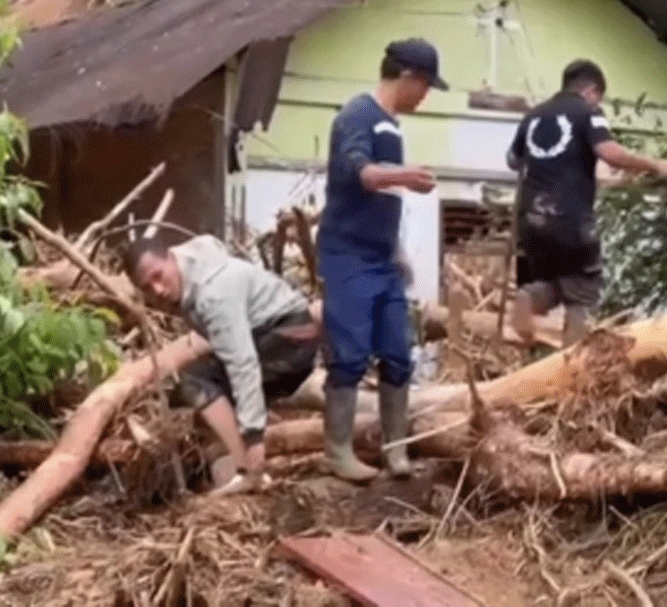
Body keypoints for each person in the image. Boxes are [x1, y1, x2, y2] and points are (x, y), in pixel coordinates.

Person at [315, 38, 443, 482]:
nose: (424, 97)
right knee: (349, 355)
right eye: (425, 86)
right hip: (346, 256)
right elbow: (361, 173)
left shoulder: (391, 125)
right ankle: (338, 451)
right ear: (408, 78)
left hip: (383, 259)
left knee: (398, 350)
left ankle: (396, 448)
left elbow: (385, 196)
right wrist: (407, 175)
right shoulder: (358, 115)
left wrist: (399, 253)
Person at [123, 233, 320, 496]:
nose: (157, 290)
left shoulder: (213, 294)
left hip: (291, 340)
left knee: (196, 382)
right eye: (147, 288)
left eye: (158, 276)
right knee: (195, 392)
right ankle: (233, 466)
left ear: (171, 257)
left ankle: (248, 471)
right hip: (281, 335)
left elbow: (242, 362)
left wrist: (253, 436)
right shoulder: (191, 269)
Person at [506, 59, 667, 348]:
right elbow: (608, 151)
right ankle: (573, 367)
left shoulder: (533, 117)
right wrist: (655, 165)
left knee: (561, 282)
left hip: (532, 222)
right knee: (584, 292)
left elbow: (513, 161)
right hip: (570, 220)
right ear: (592, 91)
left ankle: (531, 296)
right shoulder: (589, 111)